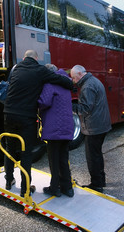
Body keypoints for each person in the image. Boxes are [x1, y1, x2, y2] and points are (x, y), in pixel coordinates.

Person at [4, 50, 73, 197]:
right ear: (36, 59)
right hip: (26, 117)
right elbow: (60, 80)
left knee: (9, 148)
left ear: (24, 58)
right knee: (26, 153)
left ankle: (9, 180)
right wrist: (70, 83)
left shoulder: (15, 68)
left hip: (8, 113)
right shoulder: (40, 70)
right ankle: (25, 189)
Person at [70, 65, 111, 193]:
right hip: (101, 124)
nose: (74, 81)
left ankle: (96, 184)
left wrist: (70, 106)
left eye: (74, 78)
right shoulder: (94, 80)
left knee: (92, 156)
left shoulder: (87, 87)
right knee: (97, 154)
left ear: (80, 74)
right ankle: (101, 180)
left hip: (94, 127)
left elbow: (85, 109)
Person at [38, 64, 74, 197]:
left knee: (54, 159)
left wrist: (35, 102)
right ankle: (68, 188)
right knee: (63, 158)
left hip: (54, 127)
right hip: (67, 126)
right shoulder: (65, 83)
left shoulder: (50, 83)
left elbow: (44, 102)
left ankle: (54, 188)